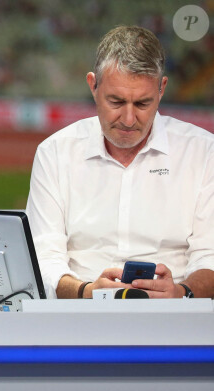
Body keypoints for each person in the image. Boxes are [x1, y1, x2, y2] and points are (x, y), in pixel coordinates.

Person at [26, 25, 214, 299]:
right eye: (116, 101)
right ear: (93, 85)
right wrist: (87, 292)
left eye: (142, 104)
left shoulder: (203, 151)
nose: (128, 119)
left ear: (162, 89)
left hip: (176, 316)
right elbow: (43, 257)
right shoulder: (55, 153)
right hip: (80, 313)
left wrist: (180, 293)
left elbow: (210, 255)